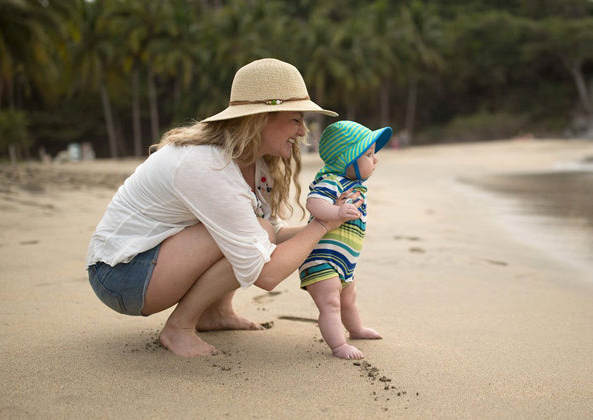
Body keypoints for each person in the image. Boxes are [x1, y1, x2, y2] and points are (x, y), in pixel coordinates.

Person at [86, 59, 363, 357]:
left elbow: (276, 231)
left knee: (258, 229)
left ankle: (214, 313)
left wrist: (334, 219)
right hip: (120, 275)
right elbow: (266, 274)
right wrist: (321, 226)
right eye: (295, 119)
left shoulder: (257, 164)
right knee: (254, 232)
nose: (302, 132)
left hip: (154, 262)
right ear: (261, 119)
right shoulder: (208, 165)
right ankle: (178, 328)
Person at [297, 121, 391, 360]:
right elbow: (314, 202)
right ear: (347, 159)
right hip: (321, 259)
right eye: (369, 154)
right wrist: (337, 213)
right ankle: (338, 345)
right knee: (331, 303)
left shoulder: (354, 186)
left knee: (348, 298)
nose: (375, 160)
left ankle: (356, 329)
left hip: (343, 262)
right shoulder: (332, 180)